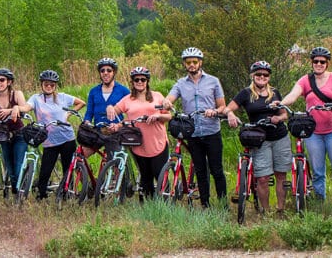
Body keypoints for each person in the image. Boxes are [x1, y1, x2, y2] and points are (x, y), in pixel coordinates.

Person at [278, 46, 332, 201]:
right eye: (316, 61)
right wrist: (281, 103)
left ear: (327, 63)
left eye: (322, 61)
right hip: (313, 132)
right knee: (317, 171)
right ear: (312, 62)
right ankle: (319, 202)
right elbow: (293, 94)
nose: (319, 64)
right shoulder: (305, 80)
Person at [222, 61, 291, 214]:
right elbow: (228, 107)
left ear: (269, 77)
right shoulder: (246, 93)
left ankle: (280, 209)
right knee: (262, 177)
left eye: (265, 74)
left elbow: (284, 113)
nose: (262, 77)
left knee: (281, 174)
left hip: (280, 136)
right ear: (253, 76)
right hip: (260, 139)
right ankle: (266, 212)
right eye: (258, 74)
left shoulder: (275, 93)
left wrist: (278, 119)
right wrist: (230, 114)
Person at [165, 47, 227, 208]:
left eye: (194, 62)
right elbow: (170, 97)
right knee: (200, 170)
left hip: (212, 131)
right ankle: (205, 204)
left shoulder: (213, 81)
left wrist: (214, 111)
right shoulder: (180, 83)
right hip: (192, 133)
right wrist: (167, 102)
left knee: (216, 170)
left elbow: (222, 106)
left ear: (200, 63)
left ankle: (223, 203)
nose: (191, 65)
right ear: (185, 64)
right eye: (188, 62)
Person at [107, 67, 171, 197]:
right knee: (145, 175)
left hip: (157, 142)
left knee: (159, 174)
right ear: (133, 82)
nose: (140, 82)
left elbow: (169, 116)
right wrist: (109, 108)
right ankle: (147, 205)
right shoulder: (127, 99)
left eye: (143, 79)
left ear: (147, 81)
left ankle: (166, 203)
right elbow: (116, 110)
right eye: (136, 79)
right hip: (138, 143)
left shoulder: (157, 96)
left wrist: (158, 116)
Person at [21, 69, 85, 200]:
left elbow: (81, 103)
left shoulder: (63, 97)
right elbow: (26, 107)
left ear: (56, 85)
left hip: (67, 138)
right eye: (46, 84)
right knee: (45, 170)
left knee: (68, 169)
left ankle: (67, 193)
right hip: (49, 141)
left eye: (52, 84)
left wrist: (68, 113)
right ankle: (42, 195)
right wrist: (17, 109)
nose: (49, 87)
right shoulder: (36, 99)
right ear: (41, 85)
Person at [82, 57, 130, 155]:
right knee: (82, 154)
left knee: (113, 161)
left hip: (115, 132)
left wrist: (120, 124)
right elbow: (89, 112)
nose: (105, 73)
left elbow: (131, 111)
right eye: (102, 70)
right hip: (98, 131)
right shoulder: (94, 91)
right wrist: (87, 122)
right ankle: (84, 170)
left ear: (114, 72)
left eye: (109, 70)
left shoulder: (123, 90)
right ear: (99, 73)